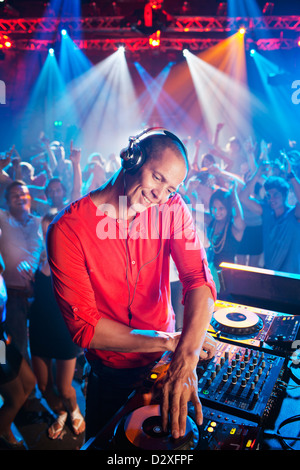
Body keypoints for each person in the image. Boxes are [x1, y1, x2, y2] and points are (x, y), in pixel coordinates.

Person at [46, 128, 217, 443]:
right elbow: (86, 328)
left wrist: (187, 353)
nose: (160, 195)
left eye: (171, 187)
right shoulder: (68, 230)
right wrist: (170, 342)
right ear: (130, 158)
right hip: (114, 377)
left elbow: (199, 280)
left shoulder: (172, 207)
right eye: (157, 178)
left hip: (169, 362)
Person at [29, 212, 85, 440]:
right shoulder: (38, 258)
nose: (47, 236)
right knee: (43, 385)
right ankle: (61, 413)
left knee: (64, 387)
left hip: (64, 331)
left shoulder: (73, 260)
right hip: (39, 328)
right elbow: (36, 295)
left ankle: (74, 410)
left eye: (50, 231)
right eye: (44, 232)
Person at [0, 181, 43, 362]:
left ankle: (43, 385)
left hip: (39, 295)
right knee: (18, 345)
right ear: (7, 201)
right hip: (13, 296)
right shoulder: (3, 218)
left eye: (24, 193)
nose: (20, 197)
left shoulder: (40, 222)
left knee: (42, 346)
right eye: (15, 195)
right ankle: (23, 388)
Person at [0, 248, 36, 448]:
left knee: (29, 382)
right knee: (14, 399)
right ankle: (3, 431)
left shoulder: (1, 270)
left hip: (3, 338)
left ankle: (5, 427)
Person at [239, 158, 300, 273]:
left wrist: (291, 175)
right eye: (268, 195)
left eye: (275, 195)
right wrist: (257, 174)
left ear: (284, 195)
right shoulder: (267, 212)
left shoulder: (294, 214)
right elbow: (243, 198)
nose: (271, 199)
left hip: (291, 278)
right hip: (270, 275)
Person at [206, 183, 245, 291]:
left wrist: (234, 195)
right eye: (214, 208)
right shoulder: (212, 221)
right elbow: (193, 213)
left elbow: (239, 219)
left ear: (228, 208)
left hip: (226, 279)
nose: (216, 212)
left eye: (221, 208)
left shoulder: (234, 228)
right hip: (209, 274)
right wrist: (188, 192)